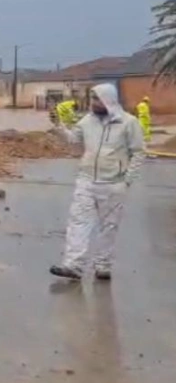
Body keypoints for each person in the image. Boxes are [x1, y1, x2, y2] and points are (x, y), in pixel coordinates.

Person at [50, 83, 145, 280]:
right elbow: (74, 140)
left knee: (108, 226)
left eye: (97, 99)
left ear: (108, 100)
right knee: (78, 222)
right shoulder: (87, 121)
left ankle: (103, 265)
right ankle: (73, 266)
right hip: (86, 181)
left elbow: (138, 152)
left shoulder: (129, 123)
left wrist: (127, 180)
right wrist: (58, 127)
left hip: (113, 183)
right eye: (92, 99)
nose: (93, 103)